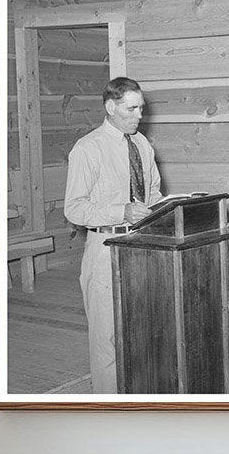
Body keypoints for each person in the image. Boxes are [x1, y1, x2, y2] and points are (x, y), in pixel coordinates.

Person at [63, 76, 162, 393]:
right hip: (105, 248)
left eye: (141, 108)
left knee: (142, 332)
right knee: (107, 341)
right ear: (110, 107)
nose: (139, 116)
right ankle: (107, 407)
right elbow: (74, 209)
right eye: (132, 109)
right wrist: (121, 211)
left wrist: (175, 206)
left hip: (142, 247)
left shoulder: (142, 145)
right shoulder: (88, 149)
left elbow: (154, 194)